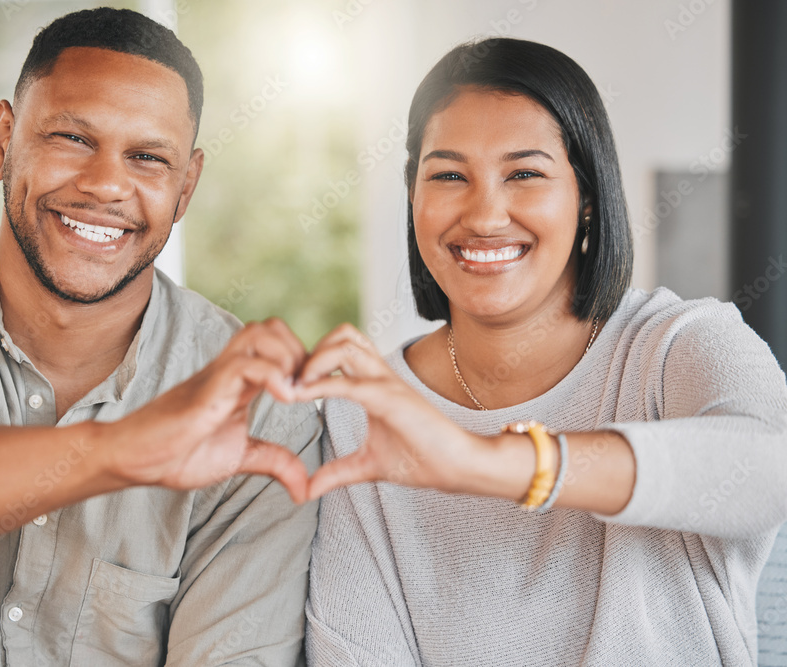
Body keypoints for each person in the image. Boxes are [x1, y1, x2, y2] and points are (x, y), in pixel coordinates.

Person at [0, 9, 322, 666]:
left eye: (148, 158)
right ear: (2, 140)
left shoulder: (264, 413)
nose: (104, 185)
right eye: (71, 137)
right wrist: (122, 449)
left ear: (186, 188)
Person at [298, 38, 787, 666]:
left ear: (585, 197)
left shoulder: (676, 346)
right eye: (448, 175)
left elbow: (771, 467)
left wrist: (487, 462)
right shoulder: (360, 418)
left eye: (524, 174)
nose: (485, 214)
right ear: (413, 195)